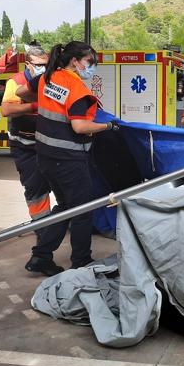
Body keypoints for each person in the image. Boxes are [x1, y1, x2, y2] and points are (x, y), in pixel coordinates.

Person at [19, 41, 119, 276]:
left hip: (45, 157)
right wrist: (108, 126)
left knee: (65, 208)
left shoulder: (48, 77)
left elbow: (21, 92)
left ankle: (41, 256)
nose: (91, 67)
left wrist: (43, 100)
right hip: (68, 160)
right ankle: (81, 263)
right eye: (89, 62)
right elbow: (80, 126)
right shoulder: (77, 89)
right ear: (75, 61)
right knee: (83, 211)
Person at [1, 44, 52, 228]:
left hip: (48, 144)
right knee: (35, 187)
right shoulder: (16, 82)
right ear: (28, 64)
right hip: (25, 146)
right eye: (39, 65)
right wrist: (34, 106)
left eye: (46, 65)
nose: (43, 68)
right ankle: (41, 226)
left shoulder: (50, 80)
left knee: (58, 183)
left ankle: (58, 221)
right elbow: (7, 109)